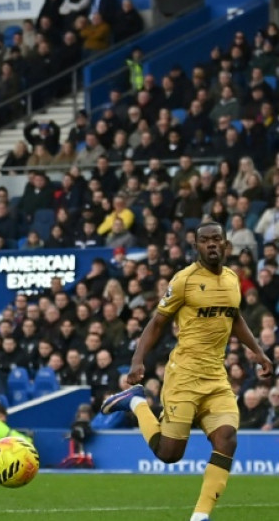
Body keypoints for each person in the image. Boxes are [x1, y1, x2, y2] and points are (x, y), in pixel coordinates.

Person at [102, 222, 274, 521]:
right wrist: (137, 360)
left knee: (227, 438)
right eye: (205, 240)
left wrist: (257, 351)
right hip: (184, 376)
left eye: (216, 239)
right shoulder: (184, 280)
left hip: (216, 378)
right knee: (169, 453)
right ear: (196, 246)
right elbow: (157, 322)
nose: (211, 244)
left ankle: (200, 516)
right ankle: (137, 402)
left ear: (225, 244)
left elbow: (235, 318)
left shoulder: (233, 280)